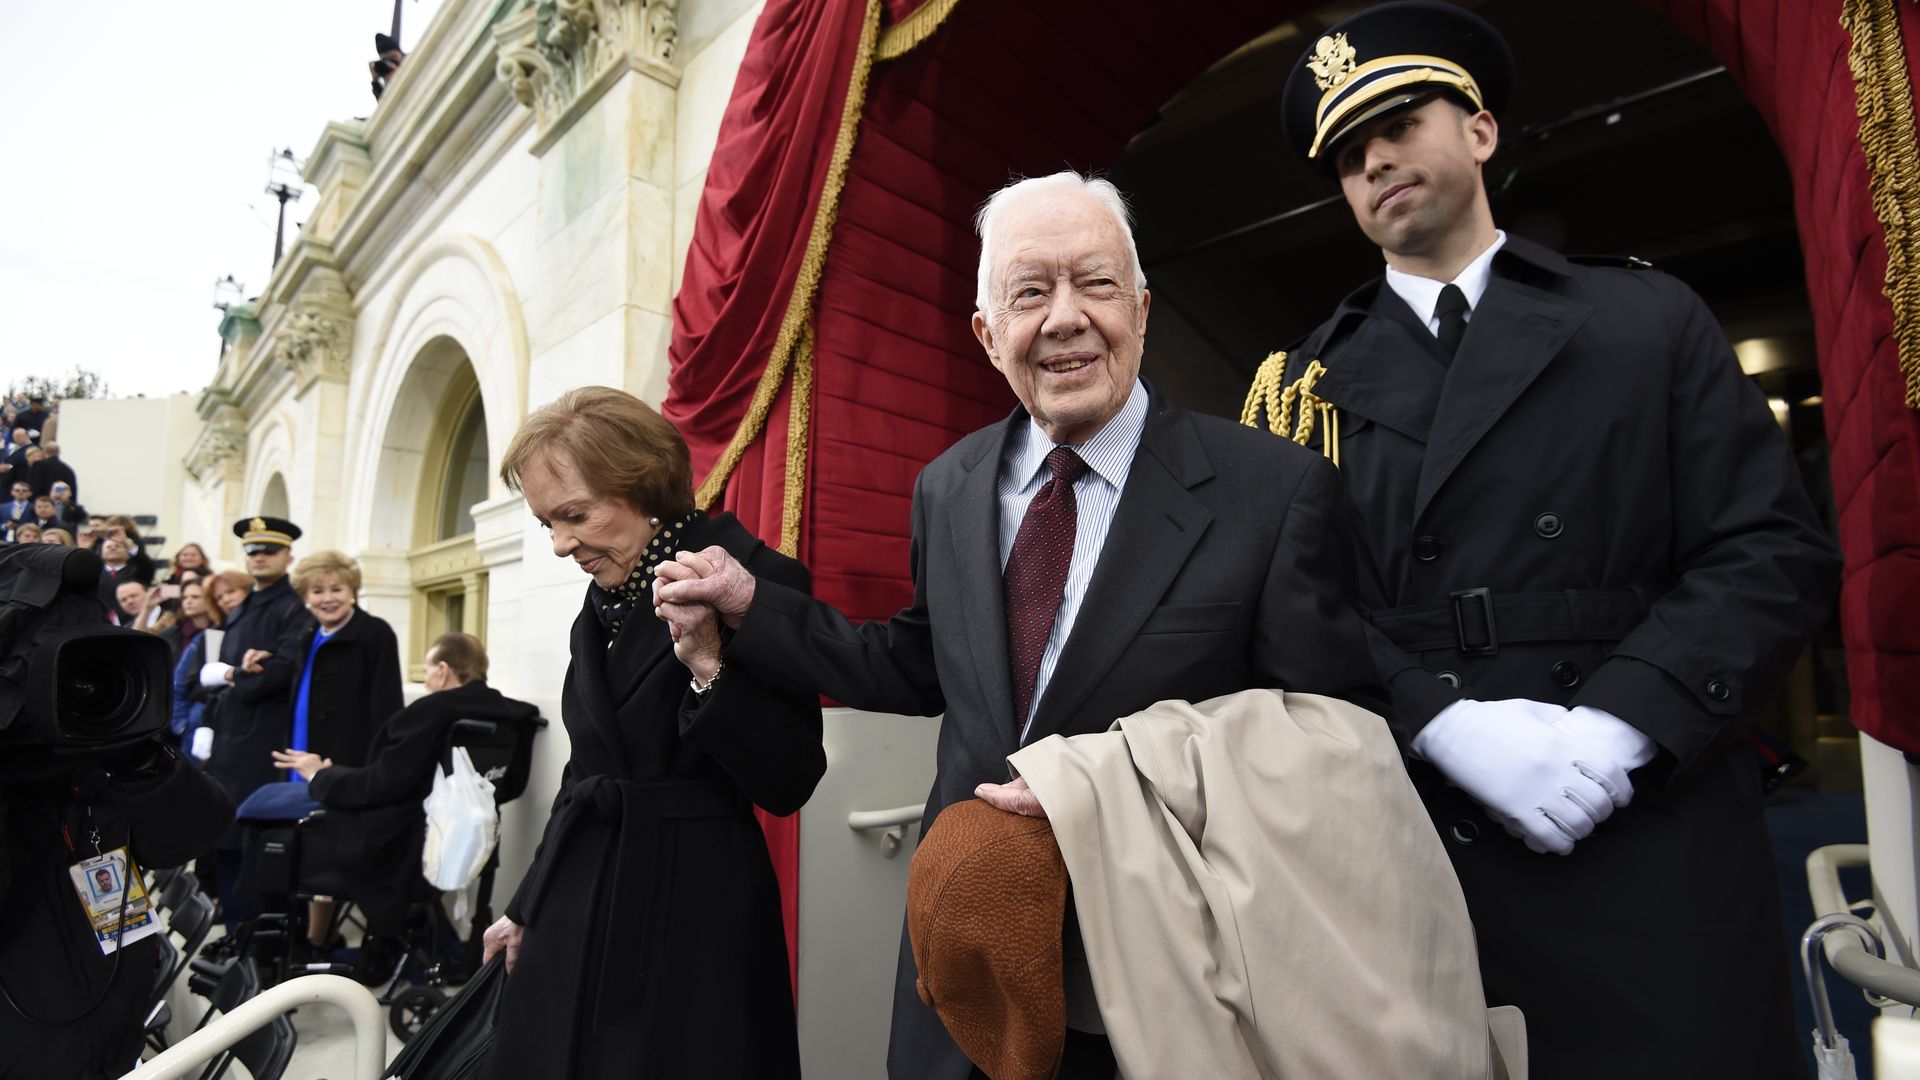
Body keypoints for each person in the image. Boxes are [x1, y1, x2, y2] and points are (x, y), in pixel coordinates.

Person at [654, 171, 1383, 1080]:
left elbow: (1328, 742)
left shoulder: (1272, 492)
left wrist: (1106, 781)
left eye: (1097, 283)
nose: (1066, 317)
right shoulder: (949, 485)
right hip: (964, 980)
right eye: (1030, 292)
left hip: (1163, 982)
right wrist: (753, 607)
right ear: (987, 334)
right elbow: (920, 663)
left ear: (1143, 310)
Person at [1239, 6, 1845, 1076]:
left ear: (1479, 131)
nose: (1374, 156)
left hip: (1651, 824)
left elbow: (1768, 549)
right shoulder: (1301, 386)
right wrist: (1445, 729)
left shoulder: (1645, 319)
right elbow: (1293, 611)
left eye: (1398, 118)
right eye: (1346, 153)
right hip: (1422, 837)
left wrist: (1620, 727)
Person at [474, 387, 826, 1080]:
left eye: (574, 516)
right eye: (547, 522)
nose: (558, 545)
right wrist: (526, 906)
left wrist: (708, 672)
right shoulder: (606, 592)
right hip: (581, 896)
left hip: (696, 908)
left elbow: (789, 779)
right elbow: (585, 775)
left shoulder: (752, 579)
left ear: (644, 486)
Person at [275, 633, 538, 975]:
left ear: (443, 670)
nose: (426, 680)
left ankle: (326, 944)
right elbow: (509, 786)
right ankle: (404, 940)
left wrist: (319, 776)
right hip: (474, 840)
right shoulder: (515, 716)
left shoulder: (432, 710)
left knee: (294, 826)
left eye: (427, 671)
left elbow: (382, 785)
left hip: (406, 844)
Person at [198, 516, 307, 925]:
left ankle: (256, 937)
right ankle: (235, 926)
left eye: (269, 550)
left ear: (288, 555)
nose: (259, 557)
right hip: (230, 740)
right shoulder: (244, 607)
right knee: (226, 839)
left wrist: (232, 675)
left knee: (254, 843)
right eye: (252, 550)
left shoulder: (292, 607)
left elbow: (280, 671)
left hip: (262, 744)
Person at [172, 571, 255, 757]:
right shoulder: (212, 636)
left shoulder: (262, 627)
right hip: (205, 722)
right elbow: (187, 683)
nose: (226, 600)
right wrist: (182, 726)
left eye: (231, 592)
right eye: (219, 597)